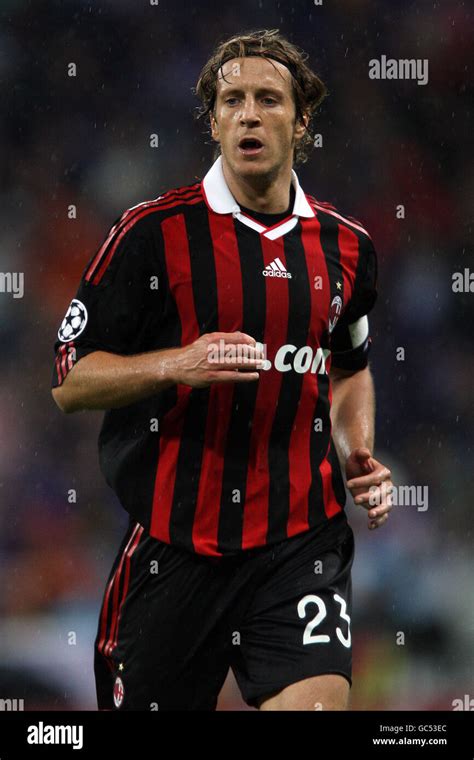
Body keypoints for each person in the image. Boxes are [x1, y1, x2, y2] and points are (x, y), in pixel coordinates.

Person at [51, 28, 393, 711]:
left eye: (269, 99)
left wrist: (357, 451)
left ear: (301, 122)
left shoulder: (348, 248)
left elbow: (350, 368)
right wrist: (179, 362)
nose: (248, 113)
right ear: (213, 122)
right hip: (176, 550)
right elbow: (69, 381)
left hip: (301, 545)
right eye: (231, 99)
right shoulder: (151, 234)